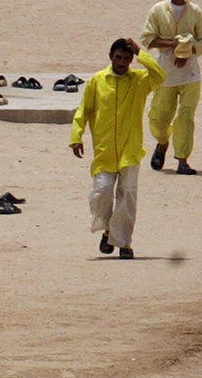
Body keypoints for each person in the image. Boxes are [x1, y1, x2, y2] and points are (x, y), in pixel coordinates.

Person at [69, 38, 165, 259]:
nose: (122, 62)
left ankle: (123, 242)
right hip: (104, 151)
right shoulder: (97, 81)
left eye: (126, 58)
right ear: (110, 56)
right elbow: (84, 109)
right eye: (118, 57)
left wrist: (141, 53)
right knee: (101, 193)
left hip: (130, 150)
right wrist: (76, 136)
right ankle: (108, 229)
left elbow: (160, 75)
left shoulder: (140, 80)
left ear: (132, 59)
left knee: (127, 195)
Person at [141, 0, 202, 175]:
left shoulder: (196, 12)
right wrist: (175, 44)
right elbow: (148, 39)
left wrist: (189, 51)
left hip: (190, 74)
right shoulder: (158, 10)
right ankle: (162, 142)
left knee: (186, 116)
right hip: (165, 72)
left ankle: (182, 159)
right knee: (158, 118)